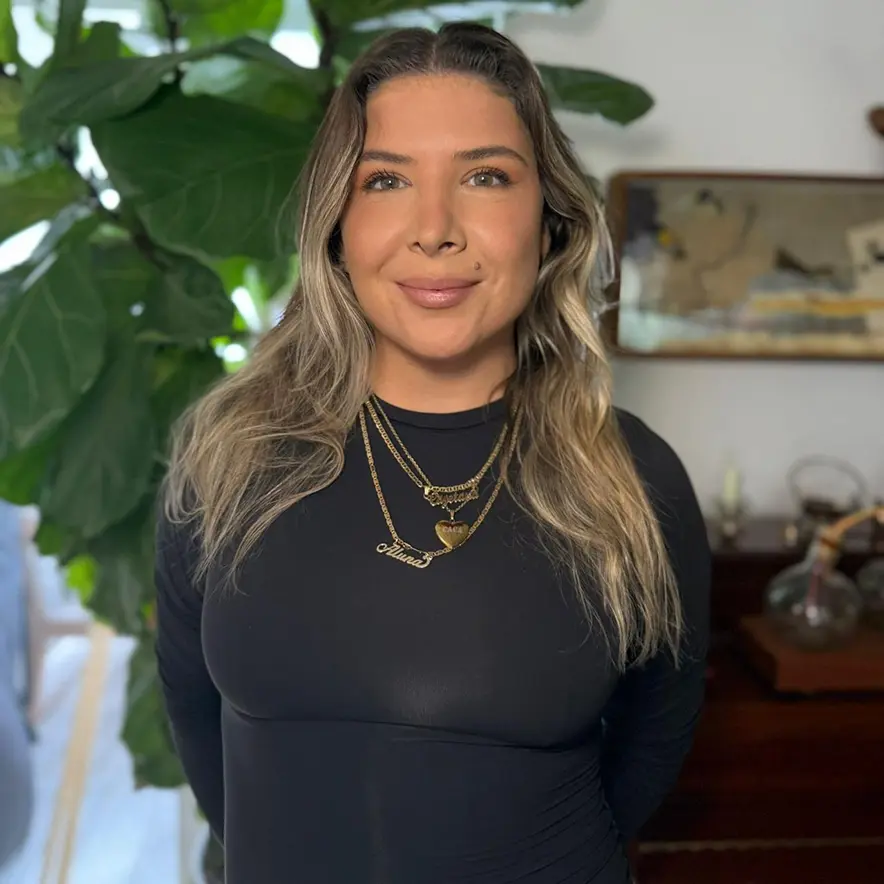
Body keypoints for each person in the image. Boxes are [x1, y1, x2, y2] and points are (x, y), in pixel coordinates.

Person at [154, 21, 710, 884]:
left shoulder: (632, 481)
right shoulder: (228, 457)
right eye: (385, 180)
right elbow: (196, 720)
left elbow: (649, 751)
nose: (435, 229)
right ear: (337, 227)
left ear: (550, 221)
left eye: (485, 177)